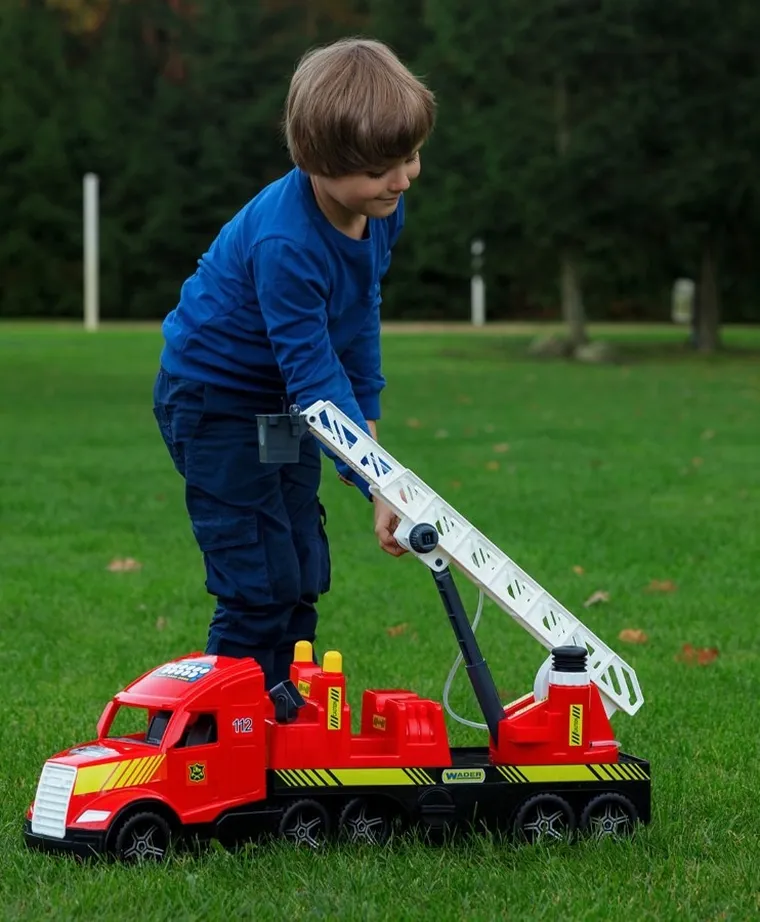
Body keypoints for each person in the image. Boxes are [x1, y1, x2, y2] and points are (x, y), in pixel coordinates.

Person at [152, 37, 436, 688]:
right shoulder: (287, 242)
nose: (401, 179)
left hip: (282, 406)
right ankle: (221, 731)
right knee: (257, 576)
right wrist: (378, 480)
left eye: (411, 157)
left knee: (300, 564)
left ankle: (286, 711)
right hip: (216, 404)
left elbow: (358, 319)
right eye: (380, 168)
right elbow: (314, 377)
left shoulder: (379, 210)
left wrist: (370, 441)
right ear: (318, 161)